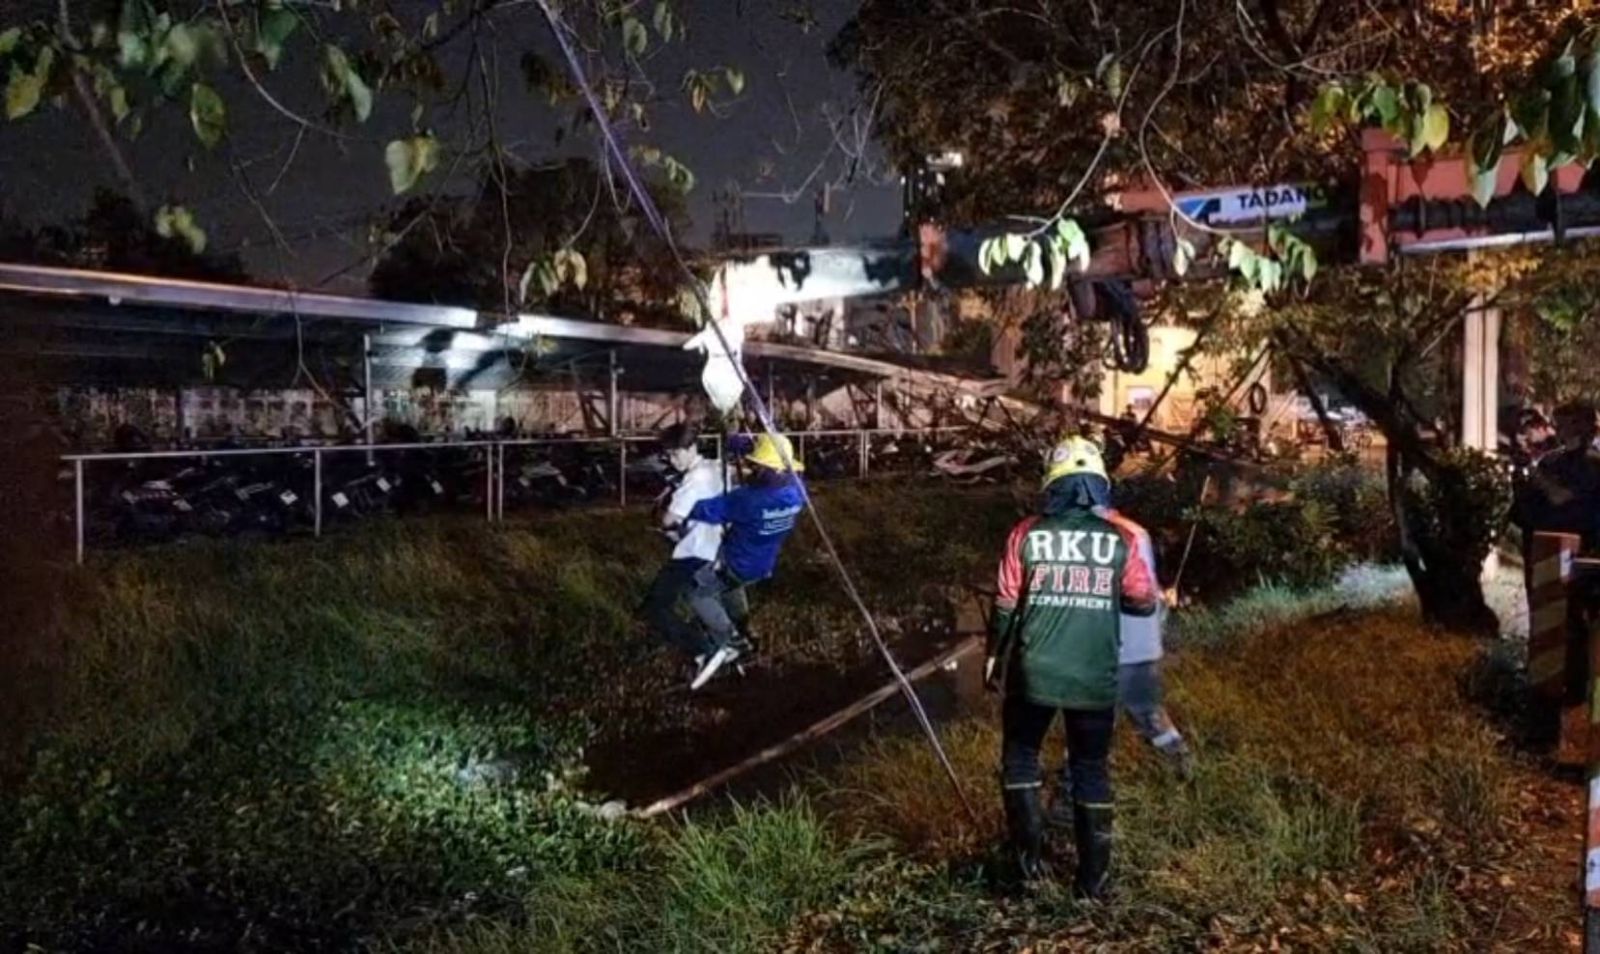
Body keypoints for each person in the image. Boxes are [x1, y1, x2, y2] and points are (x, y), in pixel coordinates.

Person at [986, 435, 1159, 898]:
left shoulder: (1025, 533)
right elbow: (1143, 602)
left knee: (1021, 757)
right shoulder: (1121, 539)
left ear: (1053, 485)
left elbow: (1004, 605)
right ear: (1097, 486)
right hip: (1094, 677)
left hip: (1033, 674)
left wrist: (992, 658)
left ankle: (1028, 874)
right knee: (1090, 768)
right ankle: (1092, 886)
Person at [1048, 505, 1193, 831]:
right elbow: (1144, 589)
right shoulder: (1135, 532)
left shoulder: (1087, 538)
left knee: (1088, 729)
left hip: (1110, 654)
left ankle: (1069, 807)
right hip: (1141, 653)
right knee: (1150, 717)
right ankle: (1184, 769)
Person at [685, 432, 807, 689]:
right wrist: (743, 445)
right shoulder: (796, 492)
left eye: (757, 466)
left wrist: (677, 501)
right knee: (731, 586)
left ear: (767, 469)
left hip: (736, 563)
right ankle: (744, 629)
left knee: (698, 593)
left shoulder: (748, 499)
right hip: (763, 564)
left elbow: (704, 510)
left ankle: (730, 640)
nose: (752, 468)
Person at [642, 423, 729, 661]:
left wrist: (663, 518)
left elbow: (670, 518)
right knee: (702, 598)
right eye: (668, 455)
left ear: (691, 447)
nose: (673, 460)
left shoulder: (695, 477)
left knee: (655, 607)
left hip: (694, 550)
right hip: (716, 547)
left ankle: (703, 649)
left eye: (676, 453)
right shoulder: (714, 467)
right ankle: (723, 642)